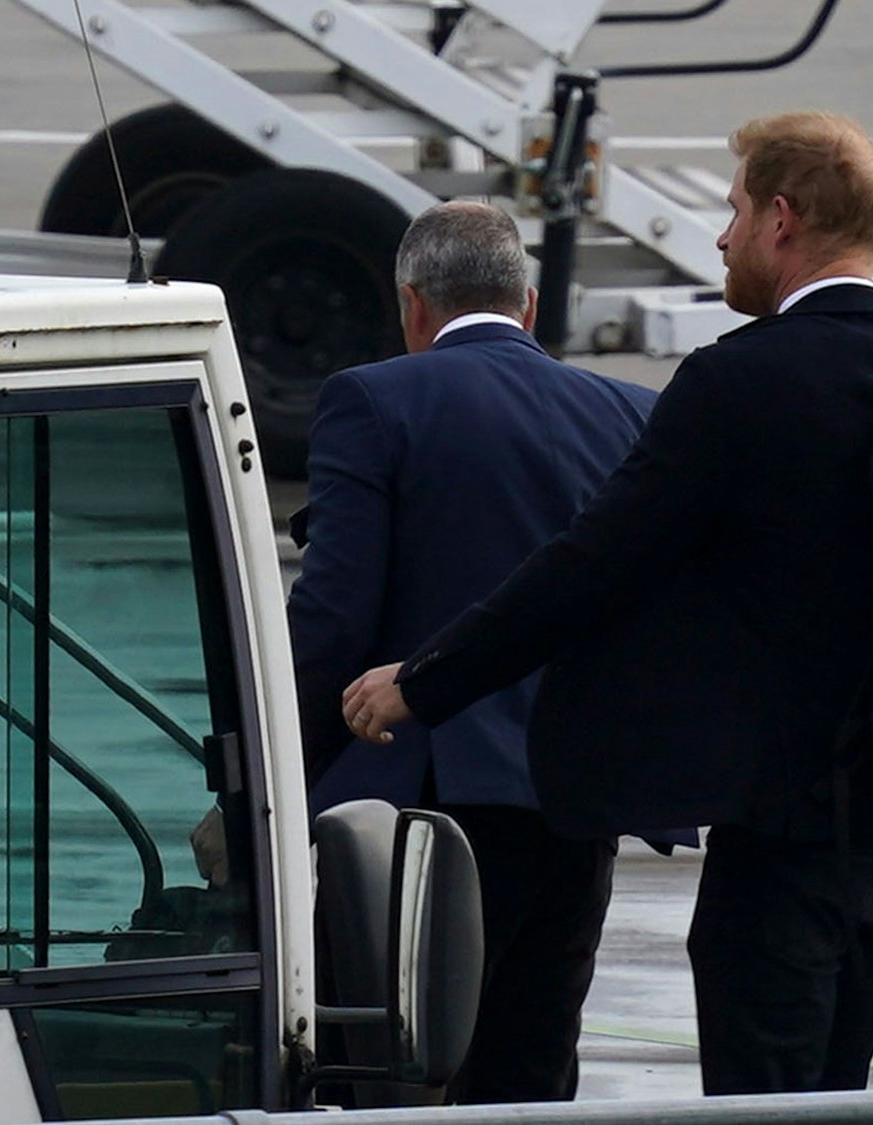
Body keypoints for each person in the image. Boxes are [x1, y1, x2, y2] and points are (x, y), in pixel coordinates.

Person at [339, 111, 873, 1095]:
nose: (721, 238)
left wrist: (423, 681)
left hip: (785, 840)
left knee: (767, 1109)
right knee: (841, 1100)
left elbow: (588, 568)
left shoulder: (737, 382)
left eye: (734, 212)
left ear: (780, 221)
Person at [287, 200, 666, 1104]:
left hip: (425, 803)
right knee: (531, 1070)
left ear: (412, 304)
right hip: (576, 803)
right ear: (528, 305)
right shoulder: (633, 412)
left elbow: (334, 615)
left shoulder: (374, 399)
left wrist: (276, 771)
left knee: (383, 1074)